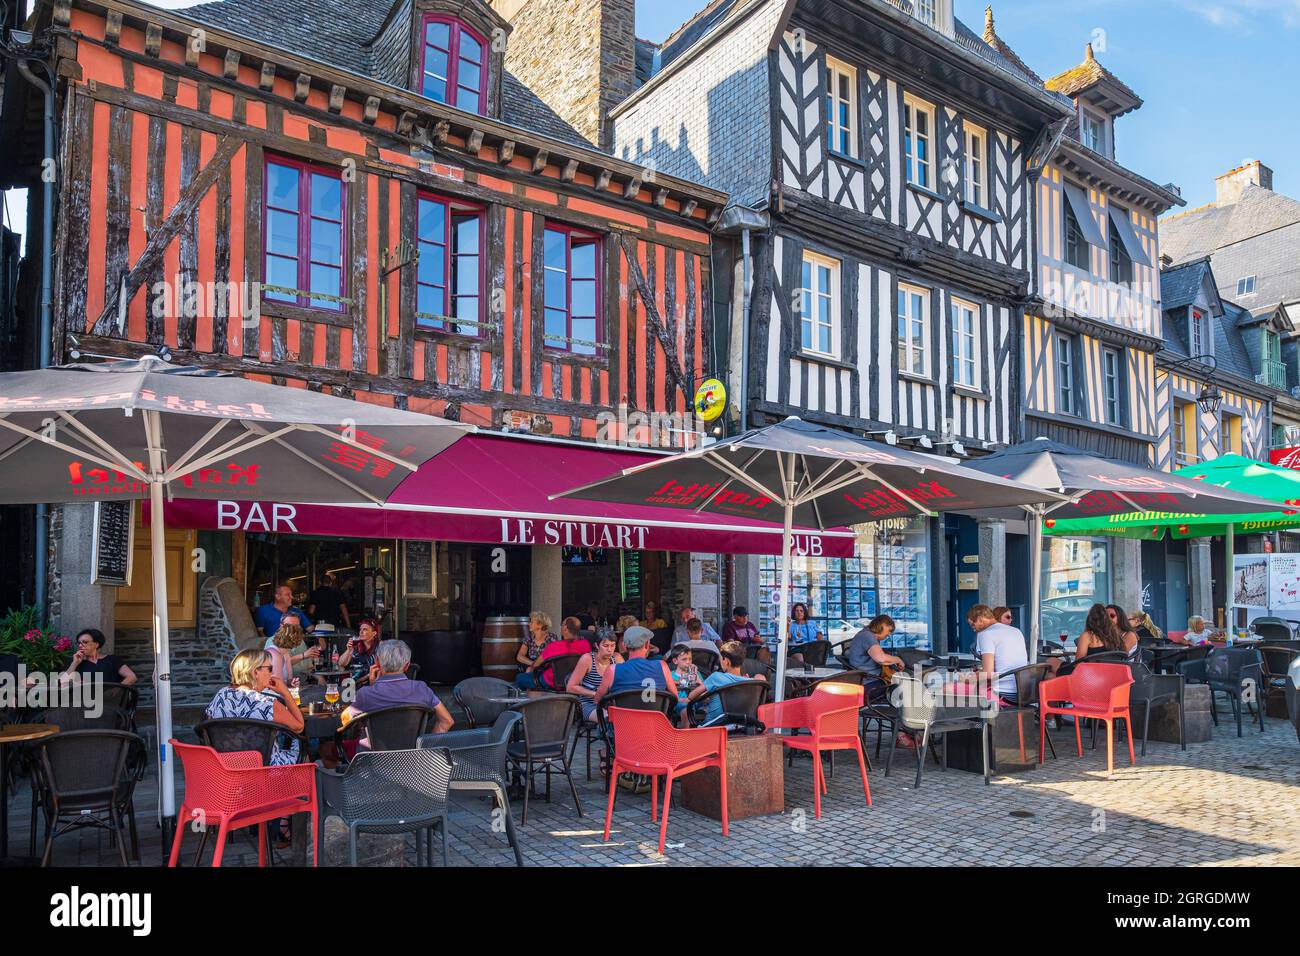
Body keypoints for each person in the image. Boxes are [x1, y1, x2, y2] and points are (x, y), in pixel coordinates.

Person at [343, 640, 454, 746]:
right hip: (410, 756)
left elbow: (345, 719)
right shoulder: (422, 688)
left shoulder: (366, 693)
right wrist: (425, 748)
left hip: (372, 756)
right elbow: (447, 721)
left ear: (377, 662)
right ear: (407, 666)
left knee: (328, 749)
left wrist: (373, 687)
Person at [205, 648, 304, 765]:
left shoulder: (221, 694)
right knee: (304, 753)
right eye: (270, 669)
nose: (272, 673)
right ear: (256, 672)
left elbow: (208, 722)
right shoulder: (268, 704)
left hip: (228, 765)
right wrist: (286, 693)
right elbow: (299, 727)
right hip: (265, 766)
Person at [593, 626, 677, 705]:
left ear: (624, 646)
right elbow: (675, 698)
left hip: (622, 720)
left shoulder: (612, 670)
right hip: (656, 720)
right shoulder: (662, 666)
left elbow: (597, 701)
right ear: (647, 644)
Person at [687, 641, 764, 726]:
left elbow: (691, 696)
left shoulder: (716, 677)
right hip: (740, 726)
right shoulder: (752, 682)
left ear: (726, 661)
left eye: (721, 660)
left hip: (713, 726)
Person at [966, 603, 1027, 701]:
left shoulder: (985, 634)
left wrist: (967, 679)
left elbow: (988, 675)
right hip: (1023, 692)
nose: (974, 629)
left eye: (973, 625)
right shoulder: (1017, 631)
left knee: (947, 688)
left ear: (980, 619)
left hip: (1003, 694)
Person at [566, 632, 623, 722]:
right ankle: (604, 735)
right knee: (610, 719)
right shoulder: (587, 659)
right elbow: (570, 687)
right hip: (589, 704)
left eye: (612, 645)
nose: (610, 649)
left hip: (611, 704)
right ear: (597, 645)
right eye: (606, 646)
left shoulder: (616, 658)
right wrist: (596, 695)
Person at [62, 628, 137, 685]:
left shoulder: (112, 660)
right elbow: (62, 683)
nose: (80, 645)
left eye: (85, 642)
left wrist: (118, 689)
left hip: (111, 701)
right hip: (87, 701)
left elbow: (132, 677)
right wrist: (74, 663)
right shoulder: (78, 663)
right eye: (79, 643)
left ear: (96, 644)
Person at [535, 616, 592, 689]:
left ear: (565, 628)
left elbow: (536, 665)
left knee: (520, 678)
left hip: (551, 683)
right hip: (577, 683)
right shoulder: (585, 645)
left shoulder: (553, 646)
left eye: (561, 625)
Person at [847, 614, 905, 682]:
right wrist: (898, 659)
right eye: (889, 630)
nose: (889, 634)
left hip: (867, 675)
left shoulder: (866, 634)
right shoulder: (867, 636)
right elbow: (881, 659)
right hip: (869, 679)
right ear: (881, 625)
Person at [265, 618, 321, 683]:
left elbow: (289, 679)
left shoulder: (285, 654)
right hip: (272, 692)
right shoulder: (275, 654)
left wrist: (292, 683)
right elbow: (276, 684)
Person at [513, 610, 556, 690]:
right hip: (533, 666)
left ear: (539, 625)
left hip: (547, 667)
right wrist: (533, 664)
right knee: (528, 671)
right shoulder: (529, 638)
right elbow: (519, 656)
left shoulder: (552, 638)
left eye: (532, 622)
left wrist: (537, 665)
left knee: (528, 673)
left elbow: (553, 656)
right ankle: (525, 698)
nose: (529, 624)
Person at [665, 644, 703, 723]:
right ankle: (685, 732)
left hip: (696, 702)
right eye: (684, 659)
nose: (688, 662)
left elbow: (703, 687)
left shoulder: (696, 674)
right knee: (685, 709)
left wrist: (695, 675)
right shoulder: (670, 675)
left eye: (690, 659)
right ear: (675, 661)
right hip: (679, 703)